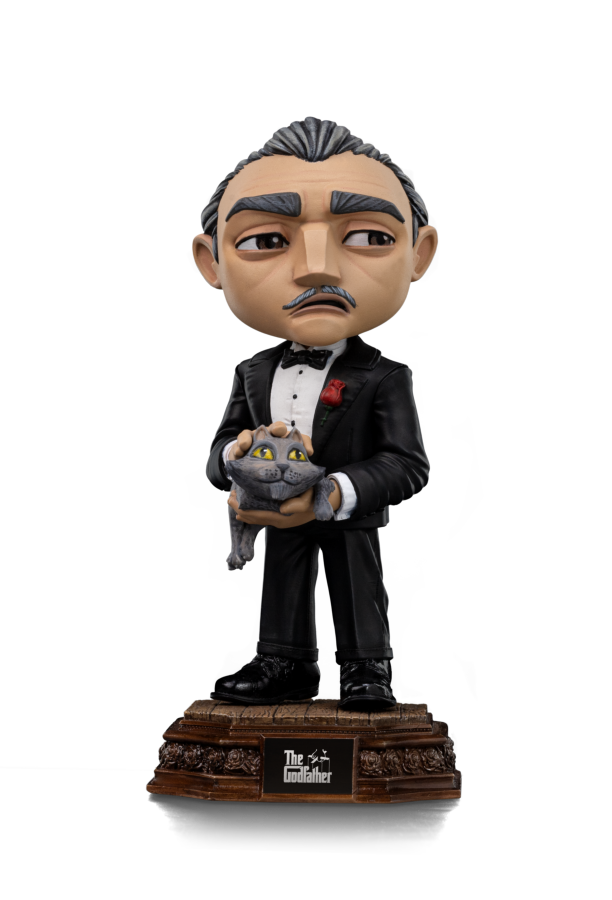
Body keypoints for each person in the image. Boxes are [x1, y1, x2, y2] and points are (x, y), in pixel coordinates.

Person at [191, 118, 438, 709]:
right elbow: (218, 449)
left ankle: (365, 665)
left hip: (349, 514)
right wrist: (236, 460)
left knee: (358, 583)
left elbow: (407, 463)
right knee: (282, 578)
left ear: (420, 254)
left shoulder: (386, 376)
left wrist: (332, 492)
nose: (317, 267)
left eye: (369, 237)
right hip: (273, 508)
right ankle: (283, 659)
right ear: (209, 264)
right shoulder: (252, 373)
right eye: (266, 241)